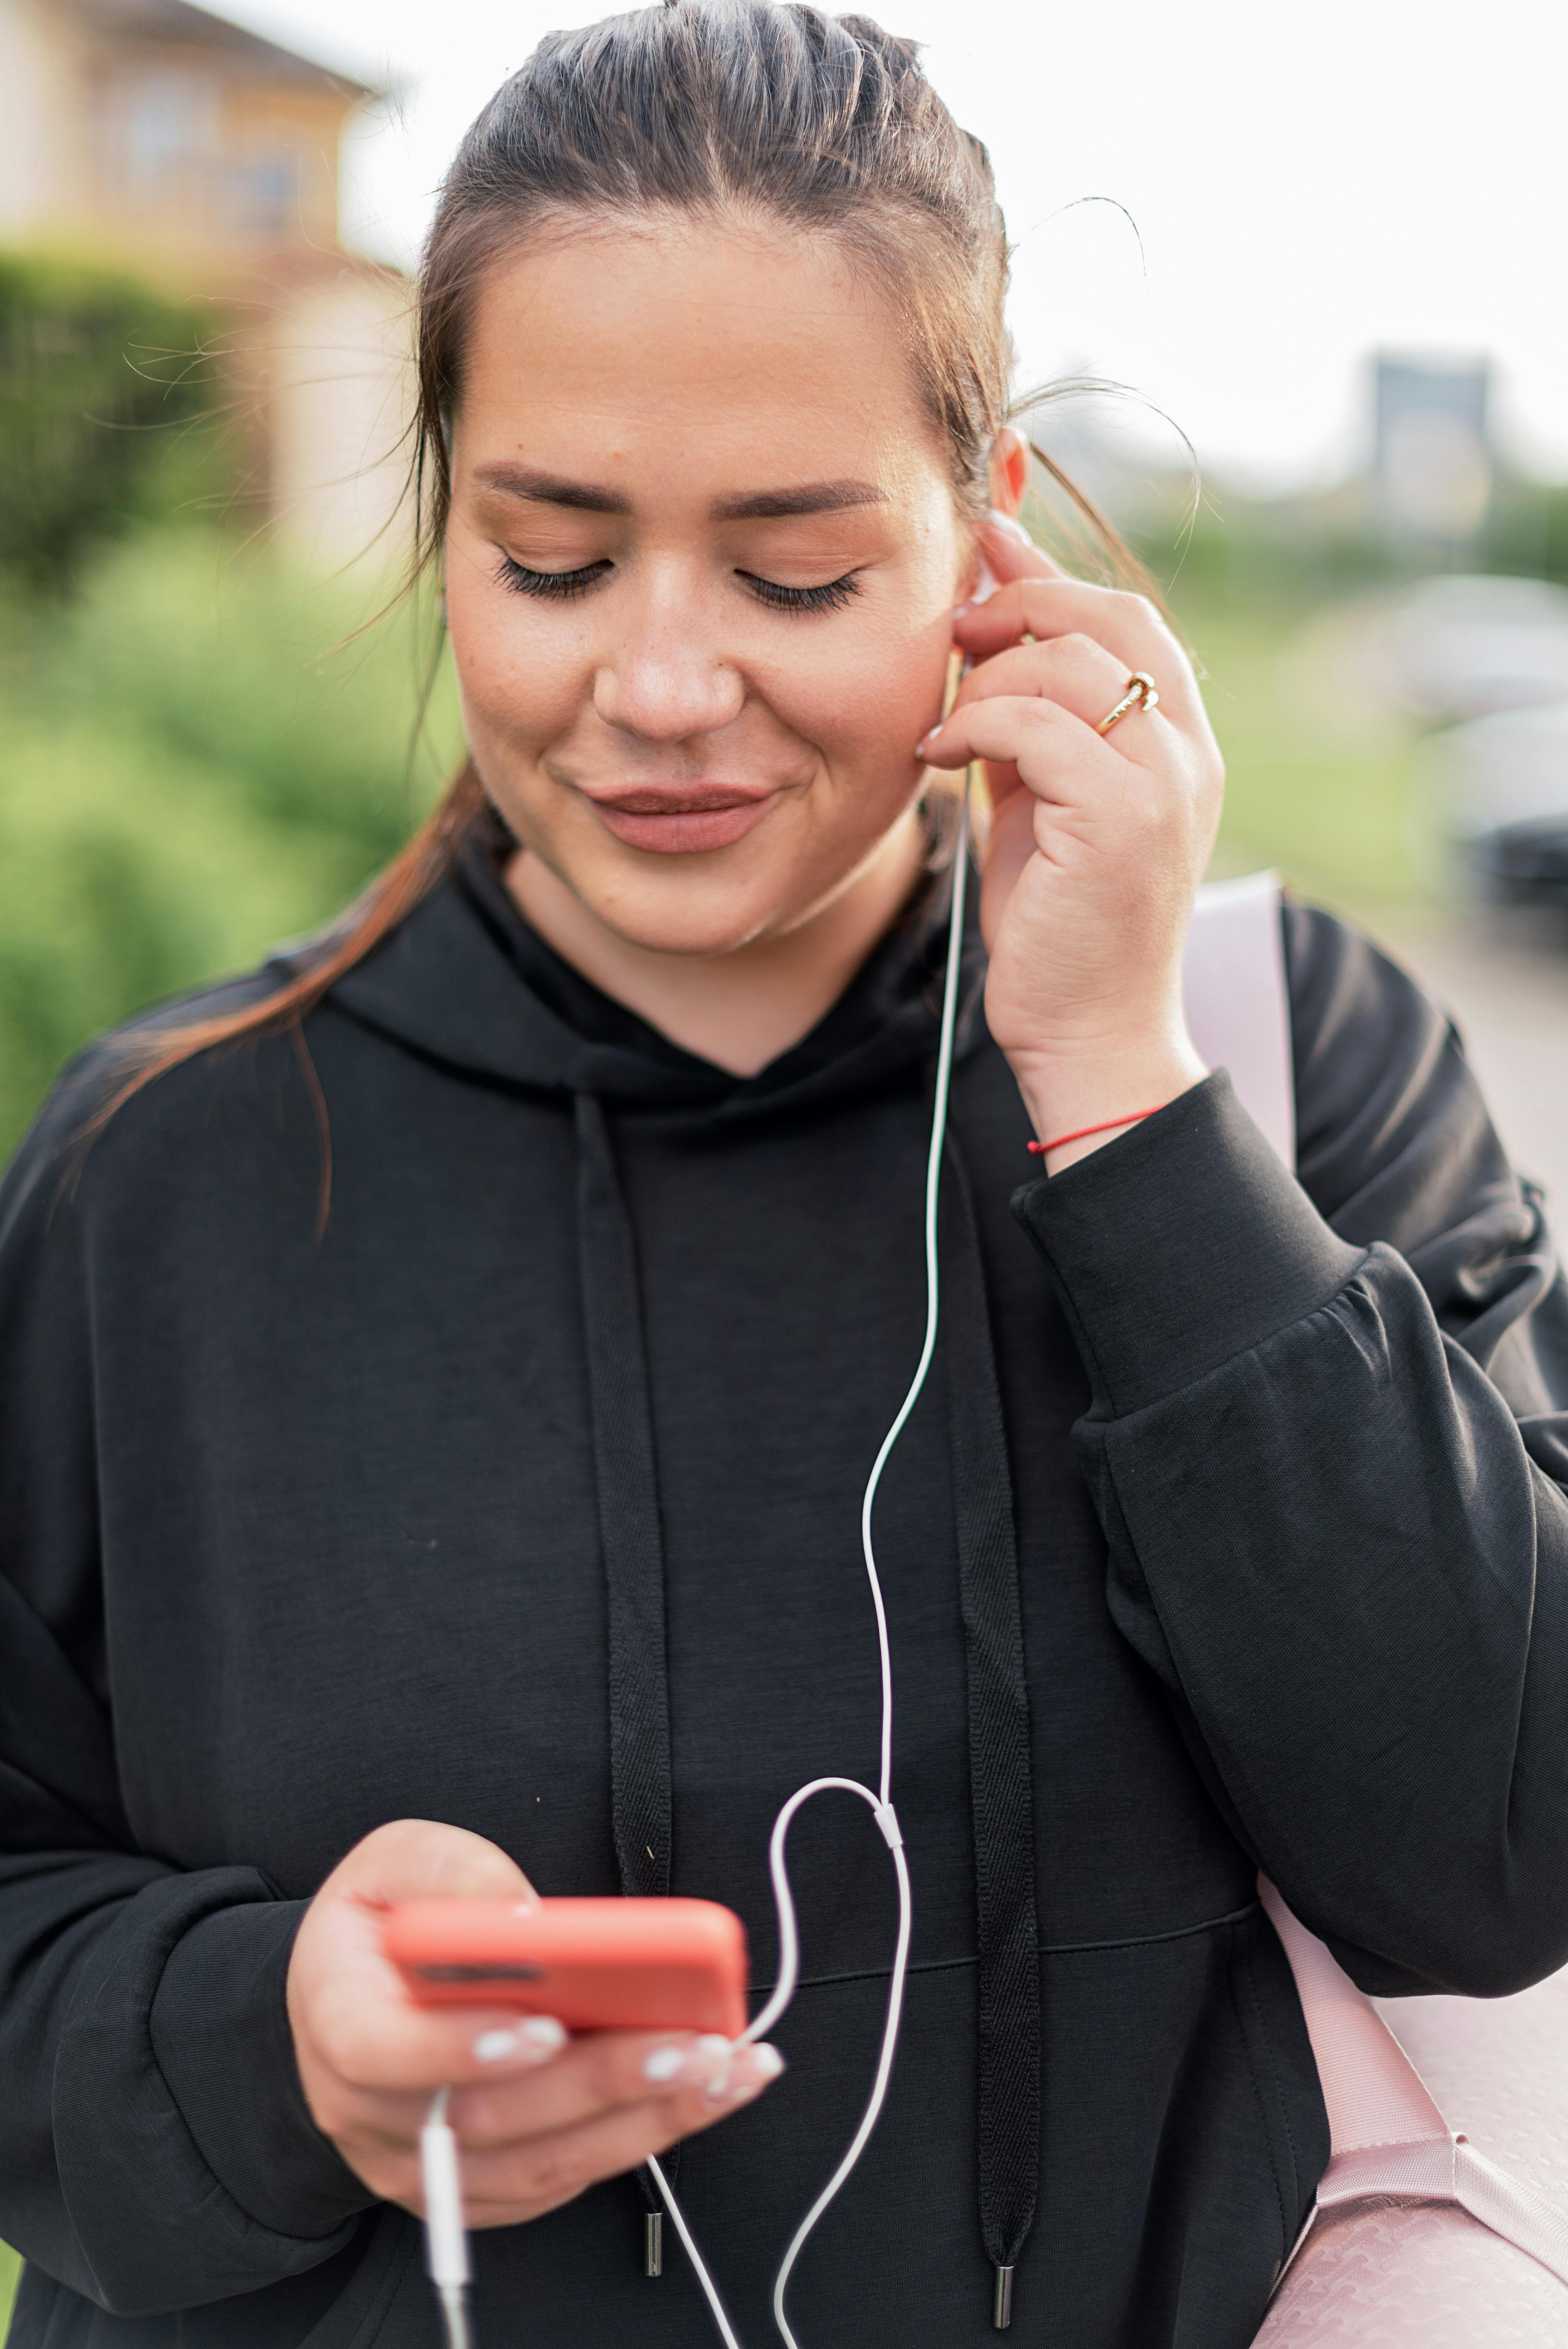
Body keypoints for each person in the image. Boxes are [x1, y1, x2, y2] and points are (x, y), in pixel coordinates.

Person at [3, 6, 1567, 2345]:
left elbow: (1496, 1850)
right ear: (446, 528)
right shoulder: (173, 1170)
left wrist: (1126, 1106)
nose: (658, 685)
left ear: (984, 548)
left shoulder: (1284, 1065)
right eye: (552, 559)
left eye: (798, 576)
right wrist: (270, 2047)